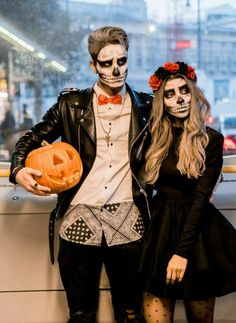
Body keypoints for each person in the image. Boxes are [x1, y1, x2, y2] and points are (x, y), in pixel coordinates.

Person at [9, 26, 153, 323]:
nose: (116, 69)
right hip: (79, 215)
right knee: (81, 313)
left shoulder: (148, 107)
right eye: (106, 63)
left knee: (131, 312)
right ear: (93, 65)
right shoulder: (70, 105)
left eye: (122, 61)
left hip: (129, 216)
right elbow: (32, 138)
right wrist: (18, 169)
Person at [139, 61, 236, 323]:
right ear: (162, 101)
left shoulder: (211, 140)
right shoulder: (153, 137)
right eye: (170, 94)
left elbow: (200, 199)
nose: (179, 98)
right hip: (159, 232)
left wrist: (181, 254)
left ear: (193, 94)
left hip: (198, 235)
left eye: (184, 90)